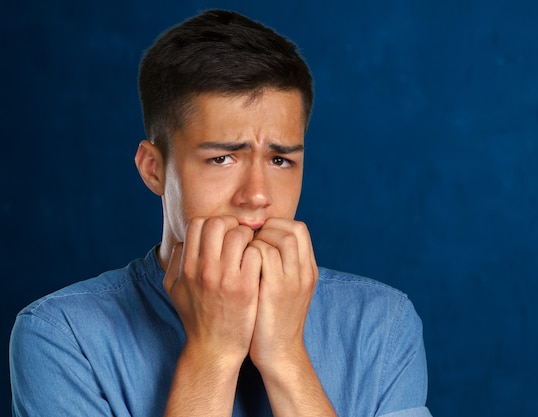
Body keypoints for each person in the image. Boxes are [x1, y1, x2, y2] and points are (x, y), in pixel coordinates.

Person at [10, 9, 432, 417]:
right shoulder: (60, 334)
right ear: (153, 170)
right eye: (222, 159)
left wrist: (286, 357)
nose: (257, 196)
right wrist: (212, 354)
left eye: (281, 160)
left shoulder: (382, 323)